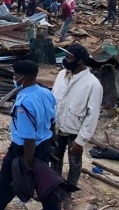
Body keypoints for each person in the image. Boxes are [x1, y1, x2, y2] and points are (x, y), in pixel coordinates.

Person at [0, 60, 59, 210]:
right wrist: (51, 142)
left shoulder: (24, 104)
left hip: (23, 151)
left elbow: (29, 139)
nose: (14, 78)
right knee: (44, 183)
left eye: (15, 75)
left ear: (23, 78)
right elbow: (53, 121)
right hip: (44, 146)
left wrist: (26, 167)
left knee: (5, 184)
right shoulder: (46, 93)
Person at [51, 45, 103, 210]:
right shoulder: (61, 75)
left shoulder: (93, 85)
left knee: (75, 165)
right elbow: (54, 99)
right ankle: (55, 190)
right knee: (55, 160)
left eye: (69, 57)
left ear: (80, 61)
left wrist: (81, 140)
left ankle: (67, 195)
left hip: (75, 132)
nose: (65, 60)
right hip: (57, 128)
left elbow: (92, 115)